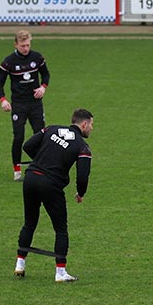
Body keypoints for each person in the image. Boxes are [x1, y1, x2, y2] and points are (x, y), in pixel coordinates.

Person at [14, 109, 94, 283]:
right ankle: (60, 272)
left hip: (31, 178)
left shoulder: (51, 129)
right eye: (92, 125)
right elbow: (82, 176)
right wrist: (81, 193)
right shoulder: (82, 146)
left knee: (30, 222)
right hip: (50, 185)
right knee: (60, 229)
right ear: (84, 124)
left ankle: (20, 264)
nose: (92, 129)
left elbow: (27, 146)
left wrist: (42, 161)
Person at [0, 30, 50, 181]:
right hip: (18, 105)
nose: (26, 48)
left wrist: (43, 87)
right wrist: (3, 100)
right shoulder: (8, 62)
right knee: (18, 137)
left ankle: (40, 166)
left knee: (40, 135)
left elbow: (46, 74)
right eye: (23, 46)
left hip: (35, 104)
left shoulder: (37, 58)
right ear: (16, 44)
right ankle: (17, 170)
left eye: (28, 45)